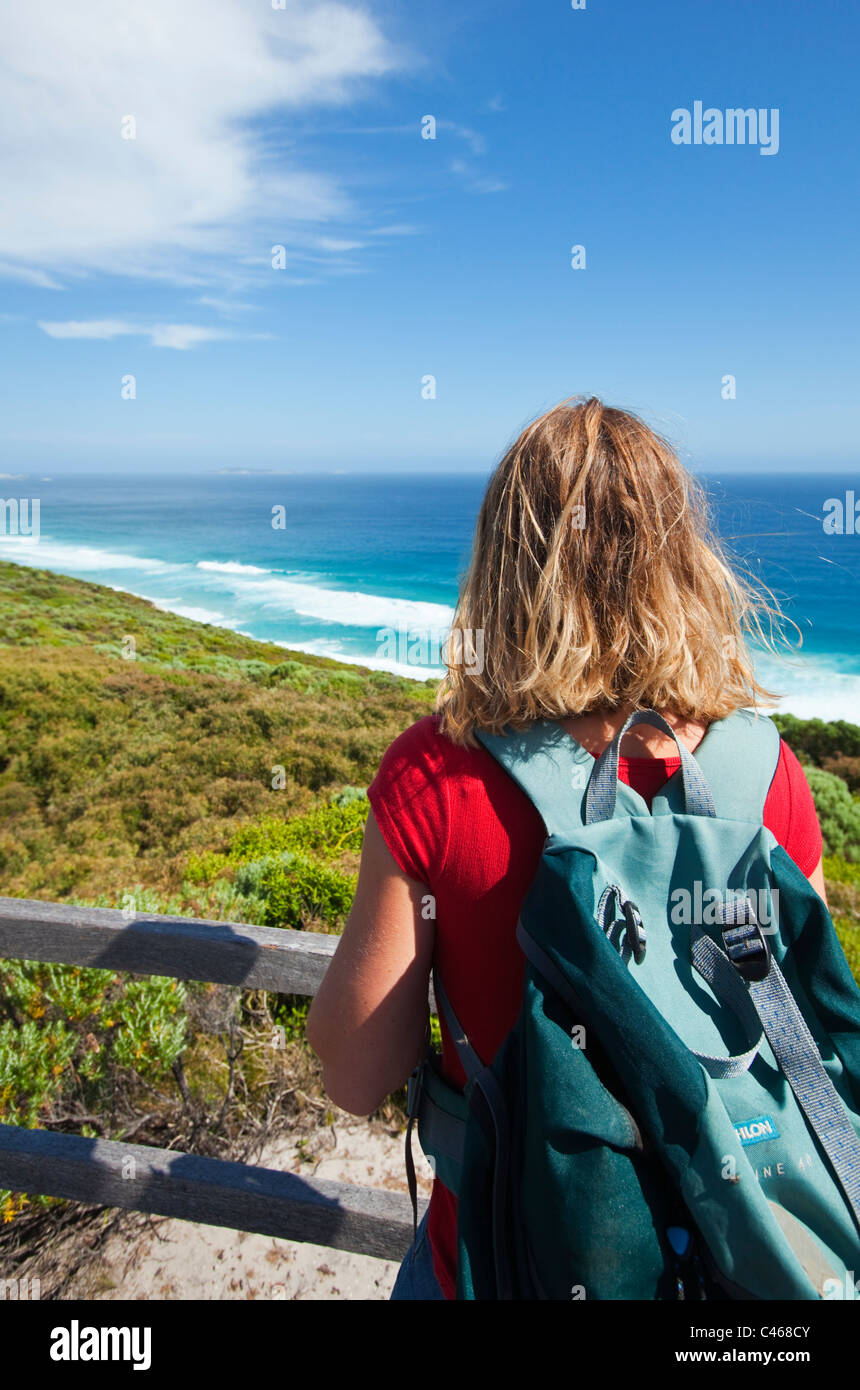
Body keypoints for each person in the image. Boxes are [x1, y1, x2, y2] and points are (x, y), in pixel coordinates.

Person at [305, 395, 826, 1301]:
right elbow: (807, 1041)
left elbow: (355, 1073)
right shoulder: (767, 772)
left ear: (507, 567)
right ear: (681, 559)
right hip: (731, 1261)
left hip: (509, 1263)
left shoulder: (437, 776)